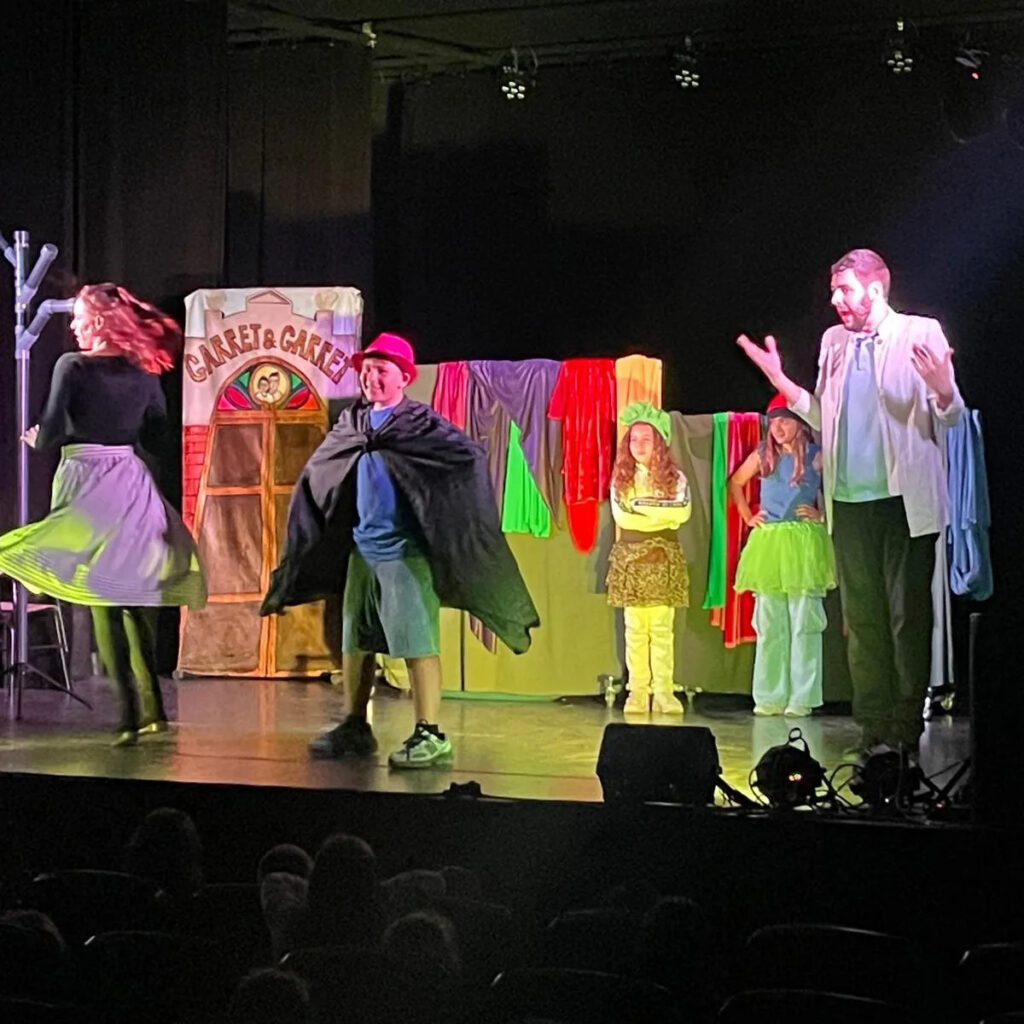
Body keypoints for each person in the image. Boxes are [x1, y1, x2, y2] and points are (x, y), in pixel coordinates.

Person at [261, 333, 538, 768]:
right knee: (356, 641)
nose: (371, 377)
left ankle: (431, 733)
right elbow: (323, 471)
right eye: (367, 370)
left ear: (404, 377)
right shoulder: (353, 423)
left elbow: (466, 459)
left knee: (416, 642)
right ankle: (355, 725)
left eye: (382, 370)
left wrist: (437, 516)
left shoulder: (419, 424)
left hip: (405, 552)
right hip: (362, 550)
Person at [737, 249, 963, 757]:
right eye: (833, 291)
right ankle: (873, 726)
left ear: (875, 290)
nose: (836, 300)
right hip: (849, 501)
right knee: (861, 622)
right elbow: (825, 416)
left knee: (906, 618)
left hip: (905, 503)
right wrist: (782, 384)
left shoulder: (919, 332)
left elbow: (951, 418)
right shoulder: (833, 341)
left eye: (845, 290)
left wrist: (944, 390)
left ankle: (905, 728)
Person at [0, 282, 206, 746]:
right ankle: (153, 711)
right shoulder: (144, 371)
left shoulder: (72, 366)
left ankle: (128, 718)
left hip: (88, 481)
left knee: (101, 601)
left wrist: (36, 438)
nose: (73, 326)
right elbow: (157, 439)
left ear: (97, 321)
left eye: (78, 317)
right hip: (131, 482)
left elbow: (51, 432)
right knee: (132, 600)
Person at [729, 395, 836, 716]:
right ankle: (769, 696)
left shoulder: (816, 456)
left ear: (800, 424)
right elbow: (736, 482)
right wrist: (749, 516)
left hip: (803, 542)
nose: (778, 427)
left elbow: (837, 488)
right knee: (770, 621)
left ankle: (802, 697)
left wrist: (822, 515)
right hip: (771, 542)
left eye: (785, 420)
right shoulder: (764, 454)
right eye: (773, 422)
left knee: (805, 621)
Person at [606, 402, 691, 715]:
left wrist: (643, 507)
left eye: (646, 439)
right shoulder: (621, 480)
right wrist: (659, 513)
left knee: (662, 628)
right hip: (631, 560)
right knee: (635, 628)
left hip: (662, 558)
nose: (639, 445)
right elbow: (624, 517)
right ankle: (638, 692)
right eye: (634, 439)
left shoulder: (676, 478)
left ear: (659, 443)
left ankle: (664, 691)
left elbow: (681, 513)